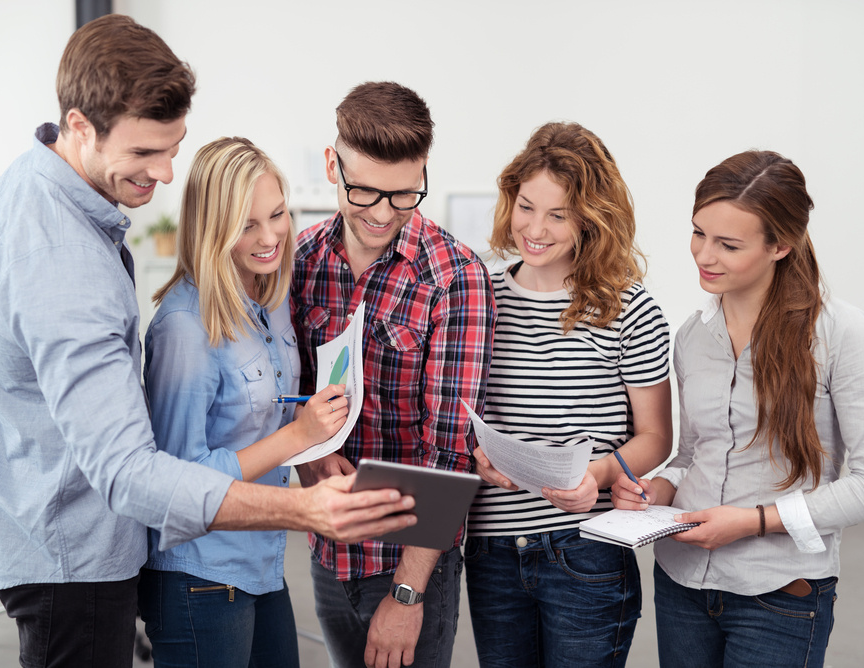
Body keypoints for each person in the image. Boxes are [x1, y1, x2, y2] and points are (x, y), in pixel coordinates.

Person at [0, 16, 414, 668]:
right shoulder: (67, 258)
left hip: (98, 550)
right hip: (78, 561)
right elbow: (131, 471)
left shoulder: (59, 201)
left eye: (172, 148)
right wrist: (302, 506)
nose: (168, 173)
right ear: (80, 126)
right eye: (146, 154)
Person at [611, 150, 864, 667]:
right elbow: (692, 454)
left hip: (780, 592)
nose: (705, 255)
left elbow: (863, 482)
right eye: (698, 233)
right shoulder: (691, 336)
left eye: (728, 244)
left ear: (781, 245)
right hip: (681, 581)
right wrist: (658, 487)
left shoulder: (839, 334)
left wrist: (753, 521)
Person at [290, 81, 496, 668]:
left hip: (410, 562)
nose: (382, 213)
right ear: (333, 164)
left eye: (404, 194)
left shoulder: (455, 278)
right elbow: (283, 389)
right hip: (328, 546)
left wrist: (406, 595)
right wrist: (307, 455)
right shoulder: (300, 259)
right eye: (364, 190)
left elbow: (450, 452)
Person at [465, 122, 673, 668]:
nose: (534, 228)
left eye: (557, 215)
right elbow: (464, 409)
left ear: (590, 220)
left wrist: (601, 476)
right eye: (526, 206)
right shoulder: (481, 296)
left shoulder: (629, 308)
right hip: (491, 550)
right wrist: (477, 455)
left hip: (585, 548)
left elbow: (656, 437)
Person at [138, 137, 349, 667]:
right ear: (212, 229)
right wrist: (297, 436)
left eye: (276, 214)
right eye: (246, 224)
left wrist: (313, 454)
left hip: (262, 561)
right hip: (199, 576)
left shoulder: (271, 297)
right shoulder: (185, 328)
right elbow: (179, 481)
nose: (270, 236)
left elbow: (263, 420)